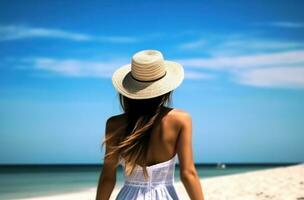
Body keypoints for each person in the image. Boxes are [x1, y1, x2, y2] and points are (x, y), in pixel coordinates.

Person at [96, 50, 205, 200]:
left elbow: (108, 177)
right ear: (167, 88)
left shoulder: (115, 124)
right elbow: (188, 173)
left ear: (129, 91)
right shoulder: (181, 120)